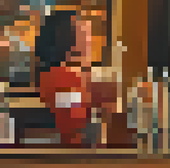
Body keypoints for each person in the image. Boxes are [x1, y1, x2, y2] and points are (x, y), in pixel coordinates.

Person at [34, 9, 118, 147]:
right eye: (85, 35)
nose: (91, 41)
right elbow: (73, 123)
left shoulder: (63, 74)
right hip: (76, 156)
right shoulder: (62, 77)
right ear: (67, 41)